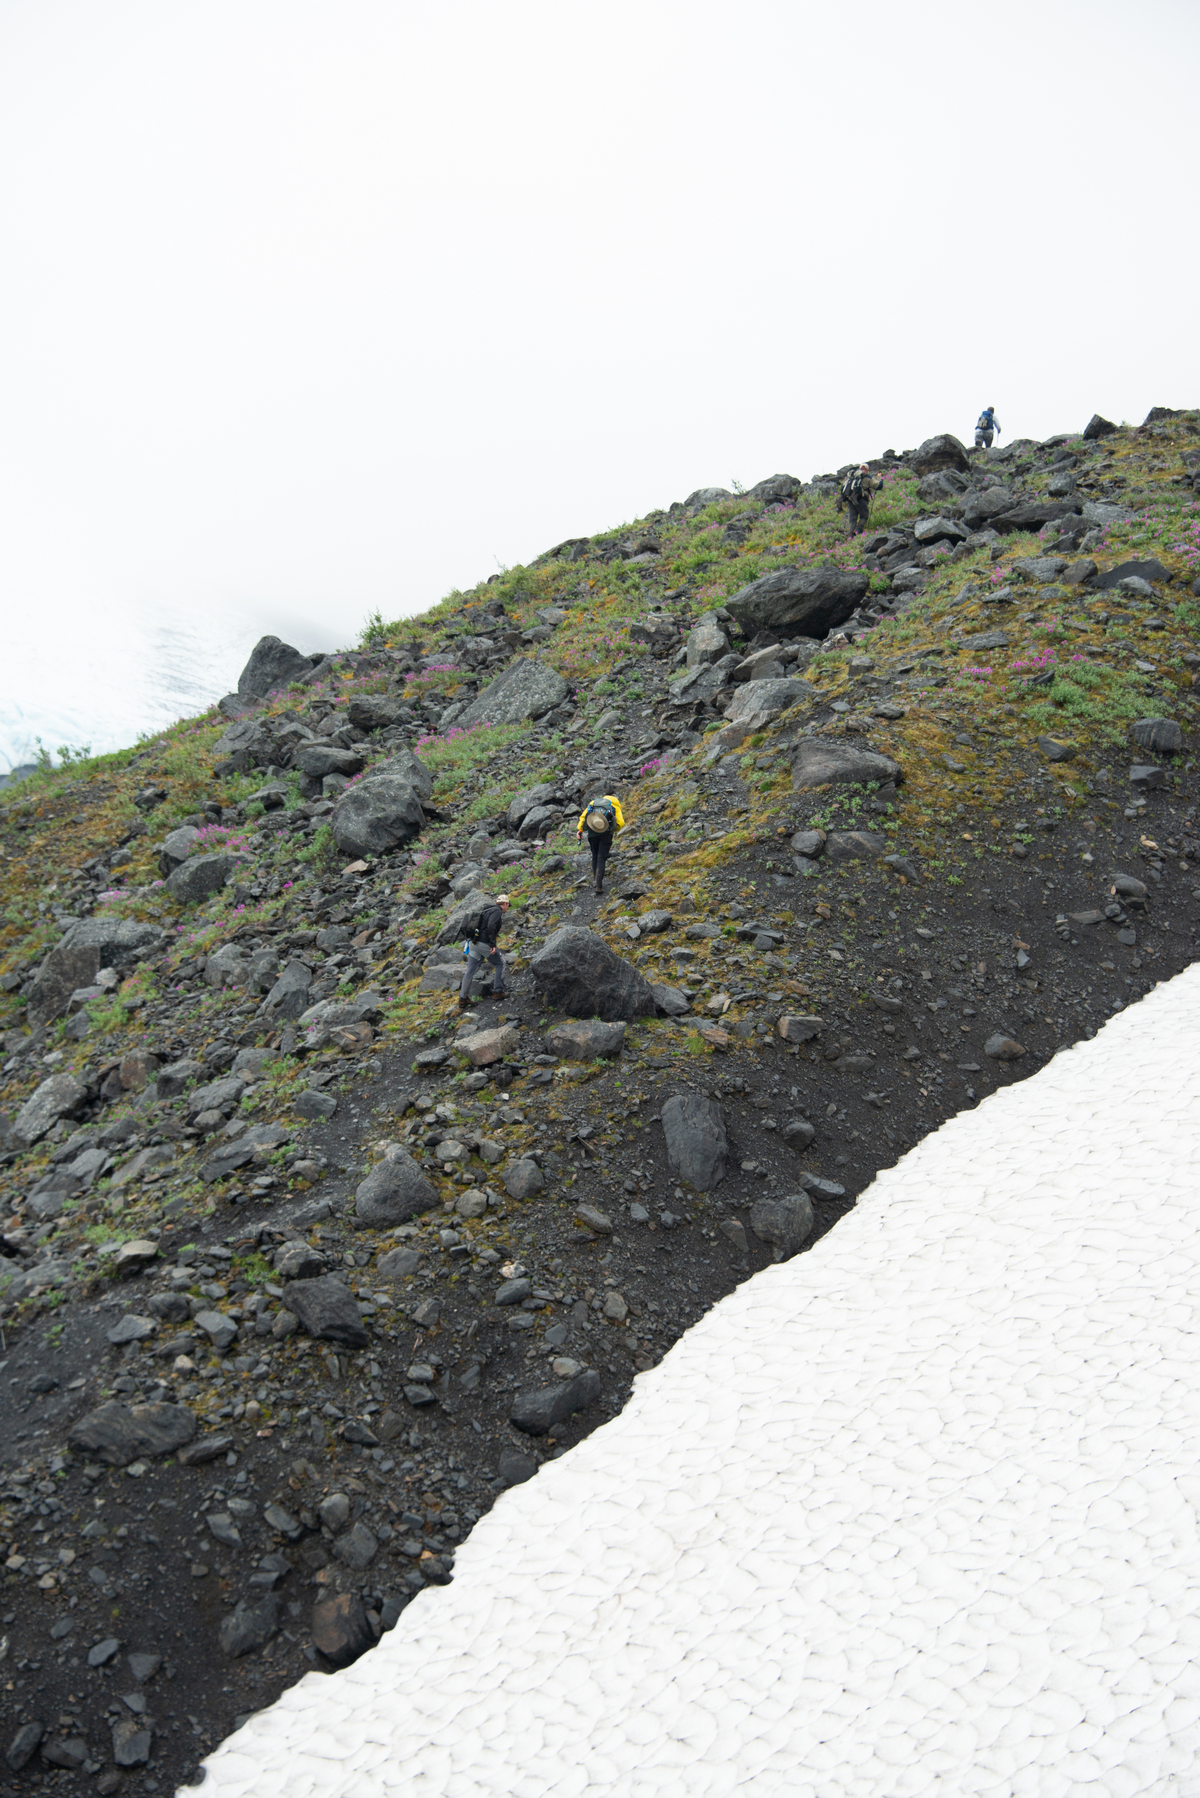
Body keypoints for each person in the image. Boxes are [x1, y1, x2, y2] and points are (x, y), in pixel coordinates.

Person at [458, 894, 511, 1010]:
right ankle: (498, 991)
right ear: (505, 904)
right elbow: (491, 926)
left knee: (470, 971)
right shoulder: (497, 911)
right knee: (500, 963)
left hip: (474, 943)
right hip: (483, 943)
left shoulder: (487, 909)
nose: (508, 908)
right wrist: (492, 944)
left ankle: (463, 998)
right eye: (508, 906)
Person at [576, 792, 626, 895]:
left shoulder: (594, 803)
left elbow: (583, 817)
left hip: (592, 832)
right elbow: (620, 823)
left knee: (594, 855)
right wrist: (612, 829)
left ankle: (595, 881)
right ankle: (598, 885)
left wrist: (580, 830)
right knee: (601, 857)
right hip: (606, 833)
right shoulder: (614, 806)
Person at [837, 464, 877, 537]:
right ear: (867, 470)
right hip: (861, 499)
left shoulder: (851, 477)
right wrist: (880, 477)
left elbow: (843, 487)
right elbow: (877, 485)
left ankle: (850, 536)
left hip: (850, 500)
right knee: (864, 516)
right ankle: (857, 531)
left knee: (852, 519)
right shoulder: (866, 477)